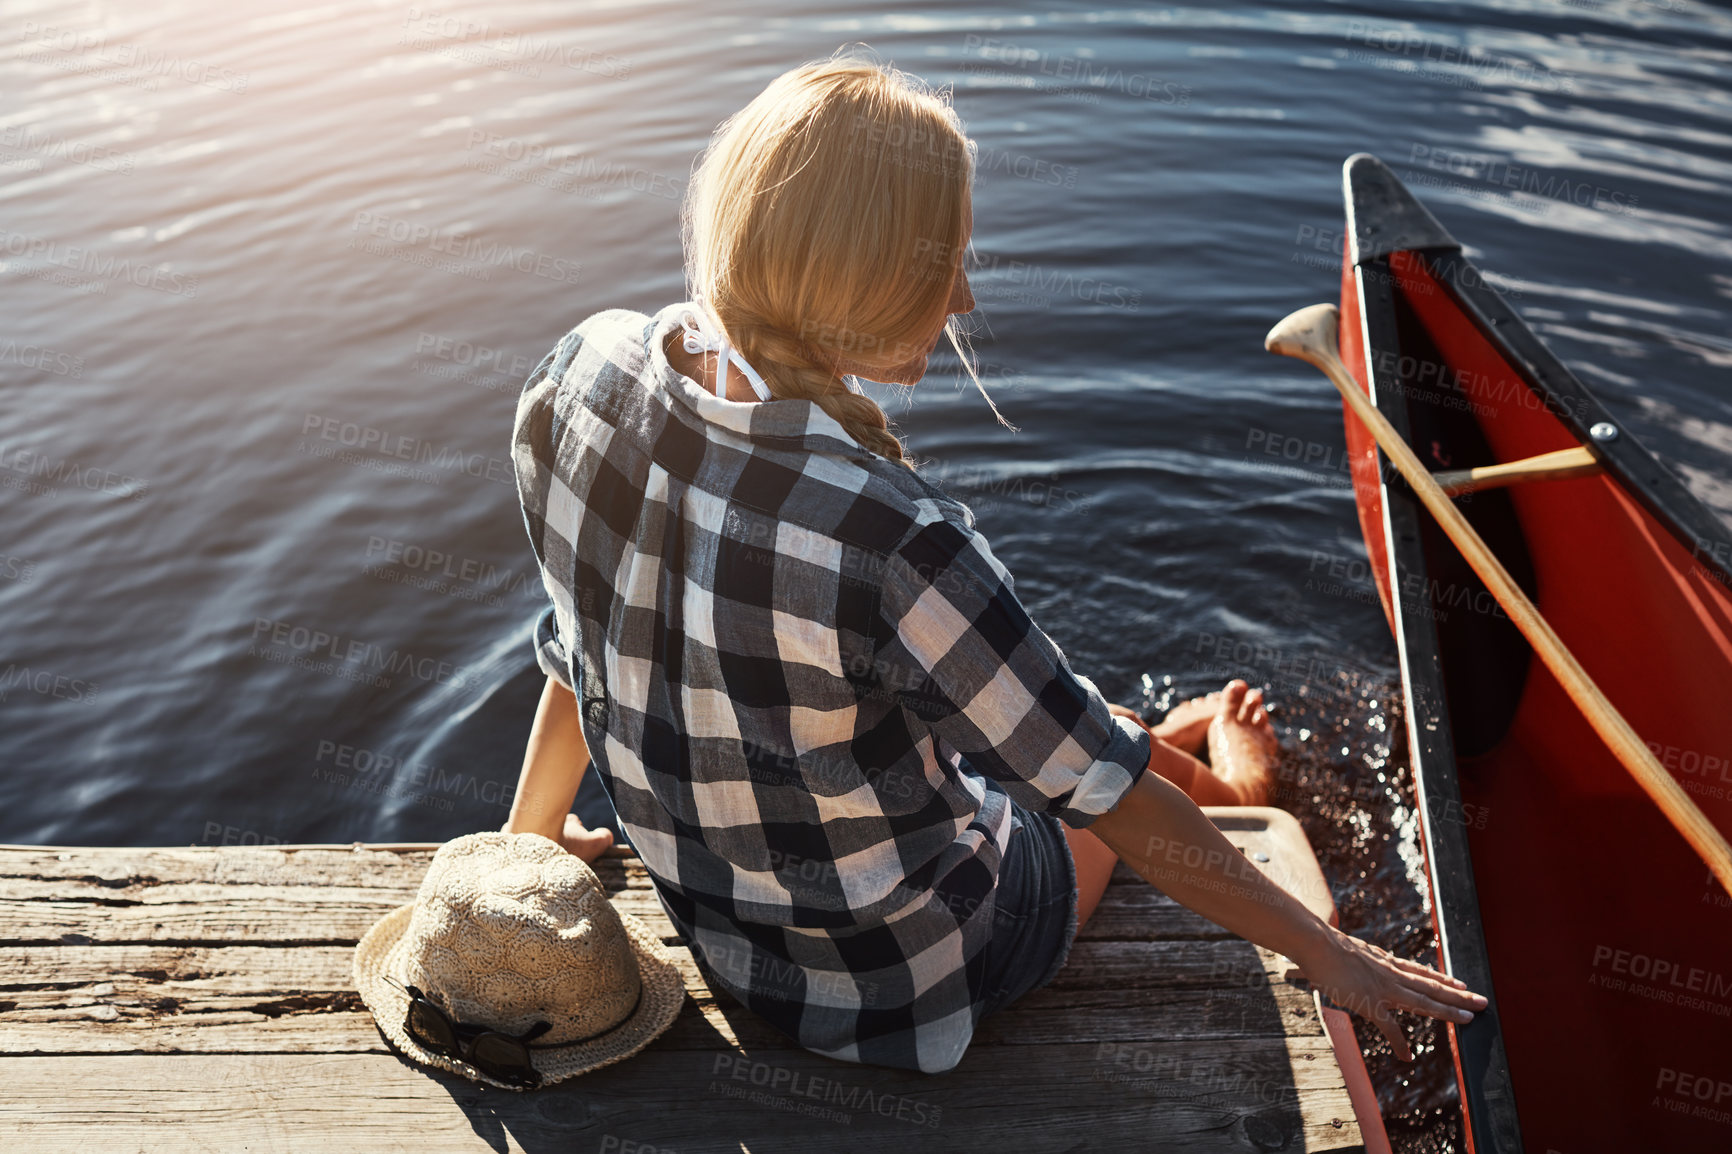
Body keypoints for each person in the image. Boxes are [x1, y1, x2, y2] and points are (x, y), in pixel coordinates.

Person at [502, 50, 1485, 1073]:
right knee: (1117, 752)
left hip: (732, 946)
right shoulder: (893, 537)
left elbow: (586, 647)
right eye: (945, 266)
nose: (963, 298)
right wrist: (1329, 953)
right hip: (907, 978)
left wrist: (531, 848)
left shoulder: (580, 377)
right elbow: (1110, 795)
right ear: (865, 281)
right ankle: (1241, 778)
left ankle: (1164, 737)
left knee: (1012, 721)